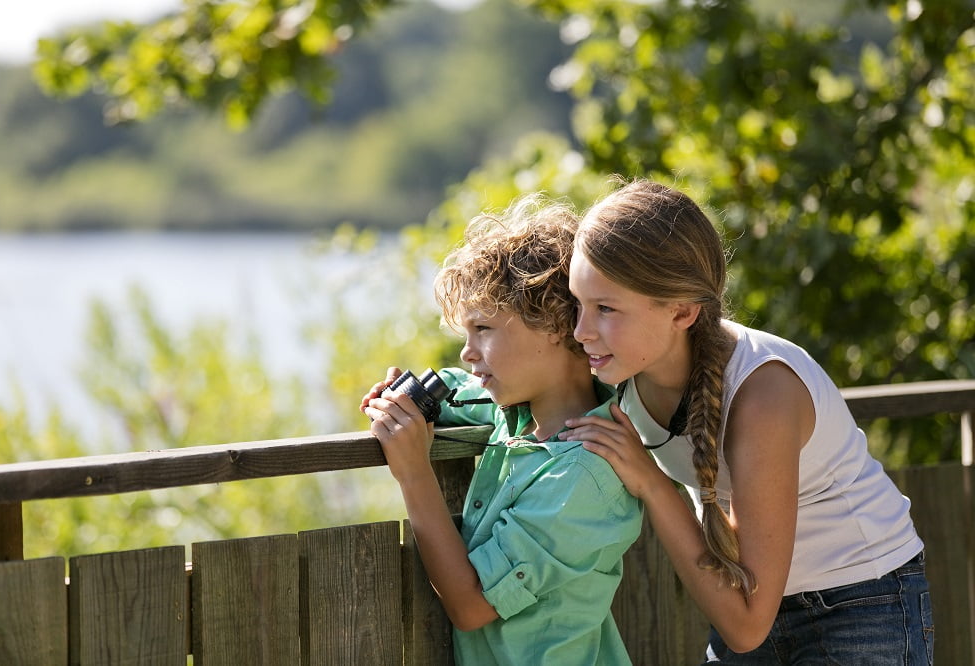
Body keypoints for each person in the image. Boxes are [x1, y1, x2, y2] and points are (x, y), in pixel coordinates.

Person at [559, 178, 934, 664]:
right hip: (751, 601)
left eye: (606, 309)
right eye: (578, 303)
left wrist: (651, 483)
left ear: (682, 312)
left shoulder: (762, 395)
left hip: (860, 603)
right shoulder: (616, 362)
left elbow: (746, 626)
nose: (581, 331)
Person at [360, 196, 642, 665]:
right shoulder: (517, 413)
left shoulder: (582, 478)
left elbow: (471, 607)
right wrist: (406, 395)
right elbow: (460, 387)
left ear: (555, 325)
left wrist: (413, 473)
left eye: (483, 329)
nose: (468, 353)